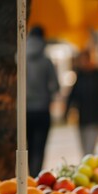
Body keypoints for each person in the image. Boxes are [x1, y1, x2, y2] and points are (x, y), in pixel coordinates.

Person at [64, 50, 98, 154]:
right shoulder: (79, 75)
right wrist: (67, 111)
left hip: (95, 117)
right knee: (84, 147)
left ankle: (87, 164)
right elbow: (73, 95)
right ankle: (86, 165)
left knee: (89, 148)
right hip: (82, 118)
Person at [26, 26, 60, 177]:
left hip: (23, 111)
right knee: (39, 148)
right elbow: (55, 86)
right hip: (42, 110)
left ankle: (25, 178)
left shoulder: (20, 58)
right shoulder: (46, 61)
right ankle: (36, 178)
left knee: (25, 147)